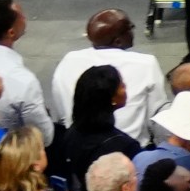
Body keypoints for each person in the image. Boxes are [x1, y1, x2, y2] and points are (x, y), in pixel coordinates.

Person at [50, 11, 171, 144]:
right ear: (118, 41)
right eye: (130, 28)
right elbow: (156, 114)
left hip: (77, 146)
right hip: (132, 151)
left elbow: (61, 109)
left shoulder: (69, 60)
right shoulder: (146, 63)